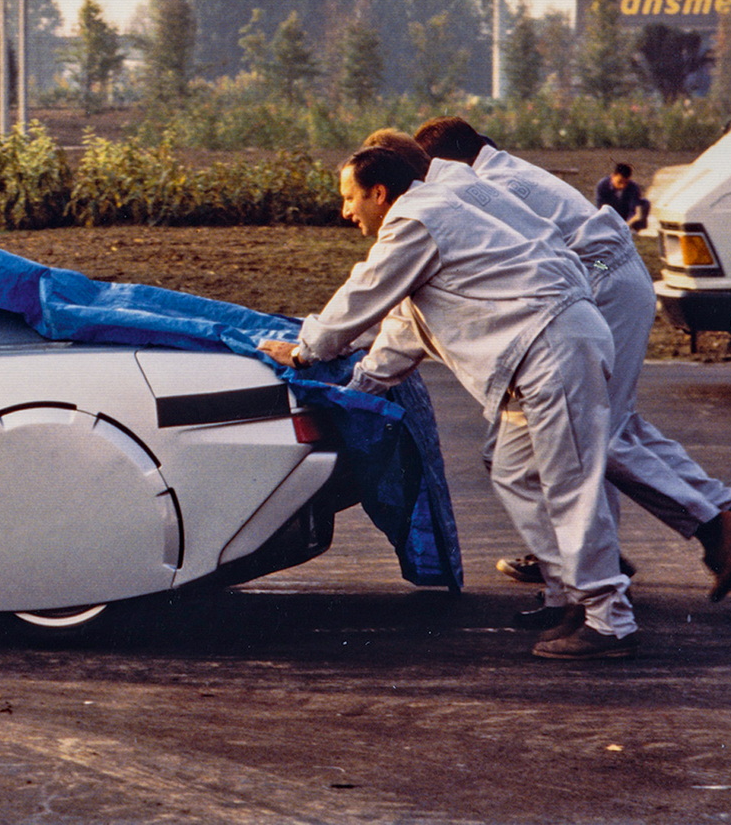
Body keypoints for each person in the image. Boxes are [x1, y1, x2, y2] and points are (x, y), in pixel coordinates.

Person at [260, 144, 637, 660]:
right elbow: (401, 334)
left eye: (350, 198)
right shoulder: (432, 227)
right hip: (541, 351)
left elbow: (360, 297)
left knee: (569, 483)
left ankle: (609, 620)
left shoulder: (417, 218)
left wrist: (305, 353)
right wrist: (354, 395)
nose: (346, 211)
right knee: (512, 471)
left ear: (379, 193)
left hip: (554, 347)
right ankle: (567, 593)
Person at [416, 117, 731, 603]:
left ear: (446, 162)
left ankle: (708, 525)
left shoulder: (487, 188)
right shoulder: (502, 171)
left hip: (598, 284)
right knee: (613, 426)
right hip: (607, 278)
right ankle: (709, 513)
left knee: (588, 434)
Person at [595, 162, 651, 232]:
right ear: (613, 176)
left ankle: (635, 231)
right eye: (620, 182)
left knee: (644, 203)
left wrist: (627, 225)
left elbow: (633, 210)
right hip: (611, 216)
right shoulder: (603, 185)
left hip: (626, 218)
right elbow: (601, 207)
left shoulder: (633, 187)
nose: (622, 186)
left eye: (626, 183)